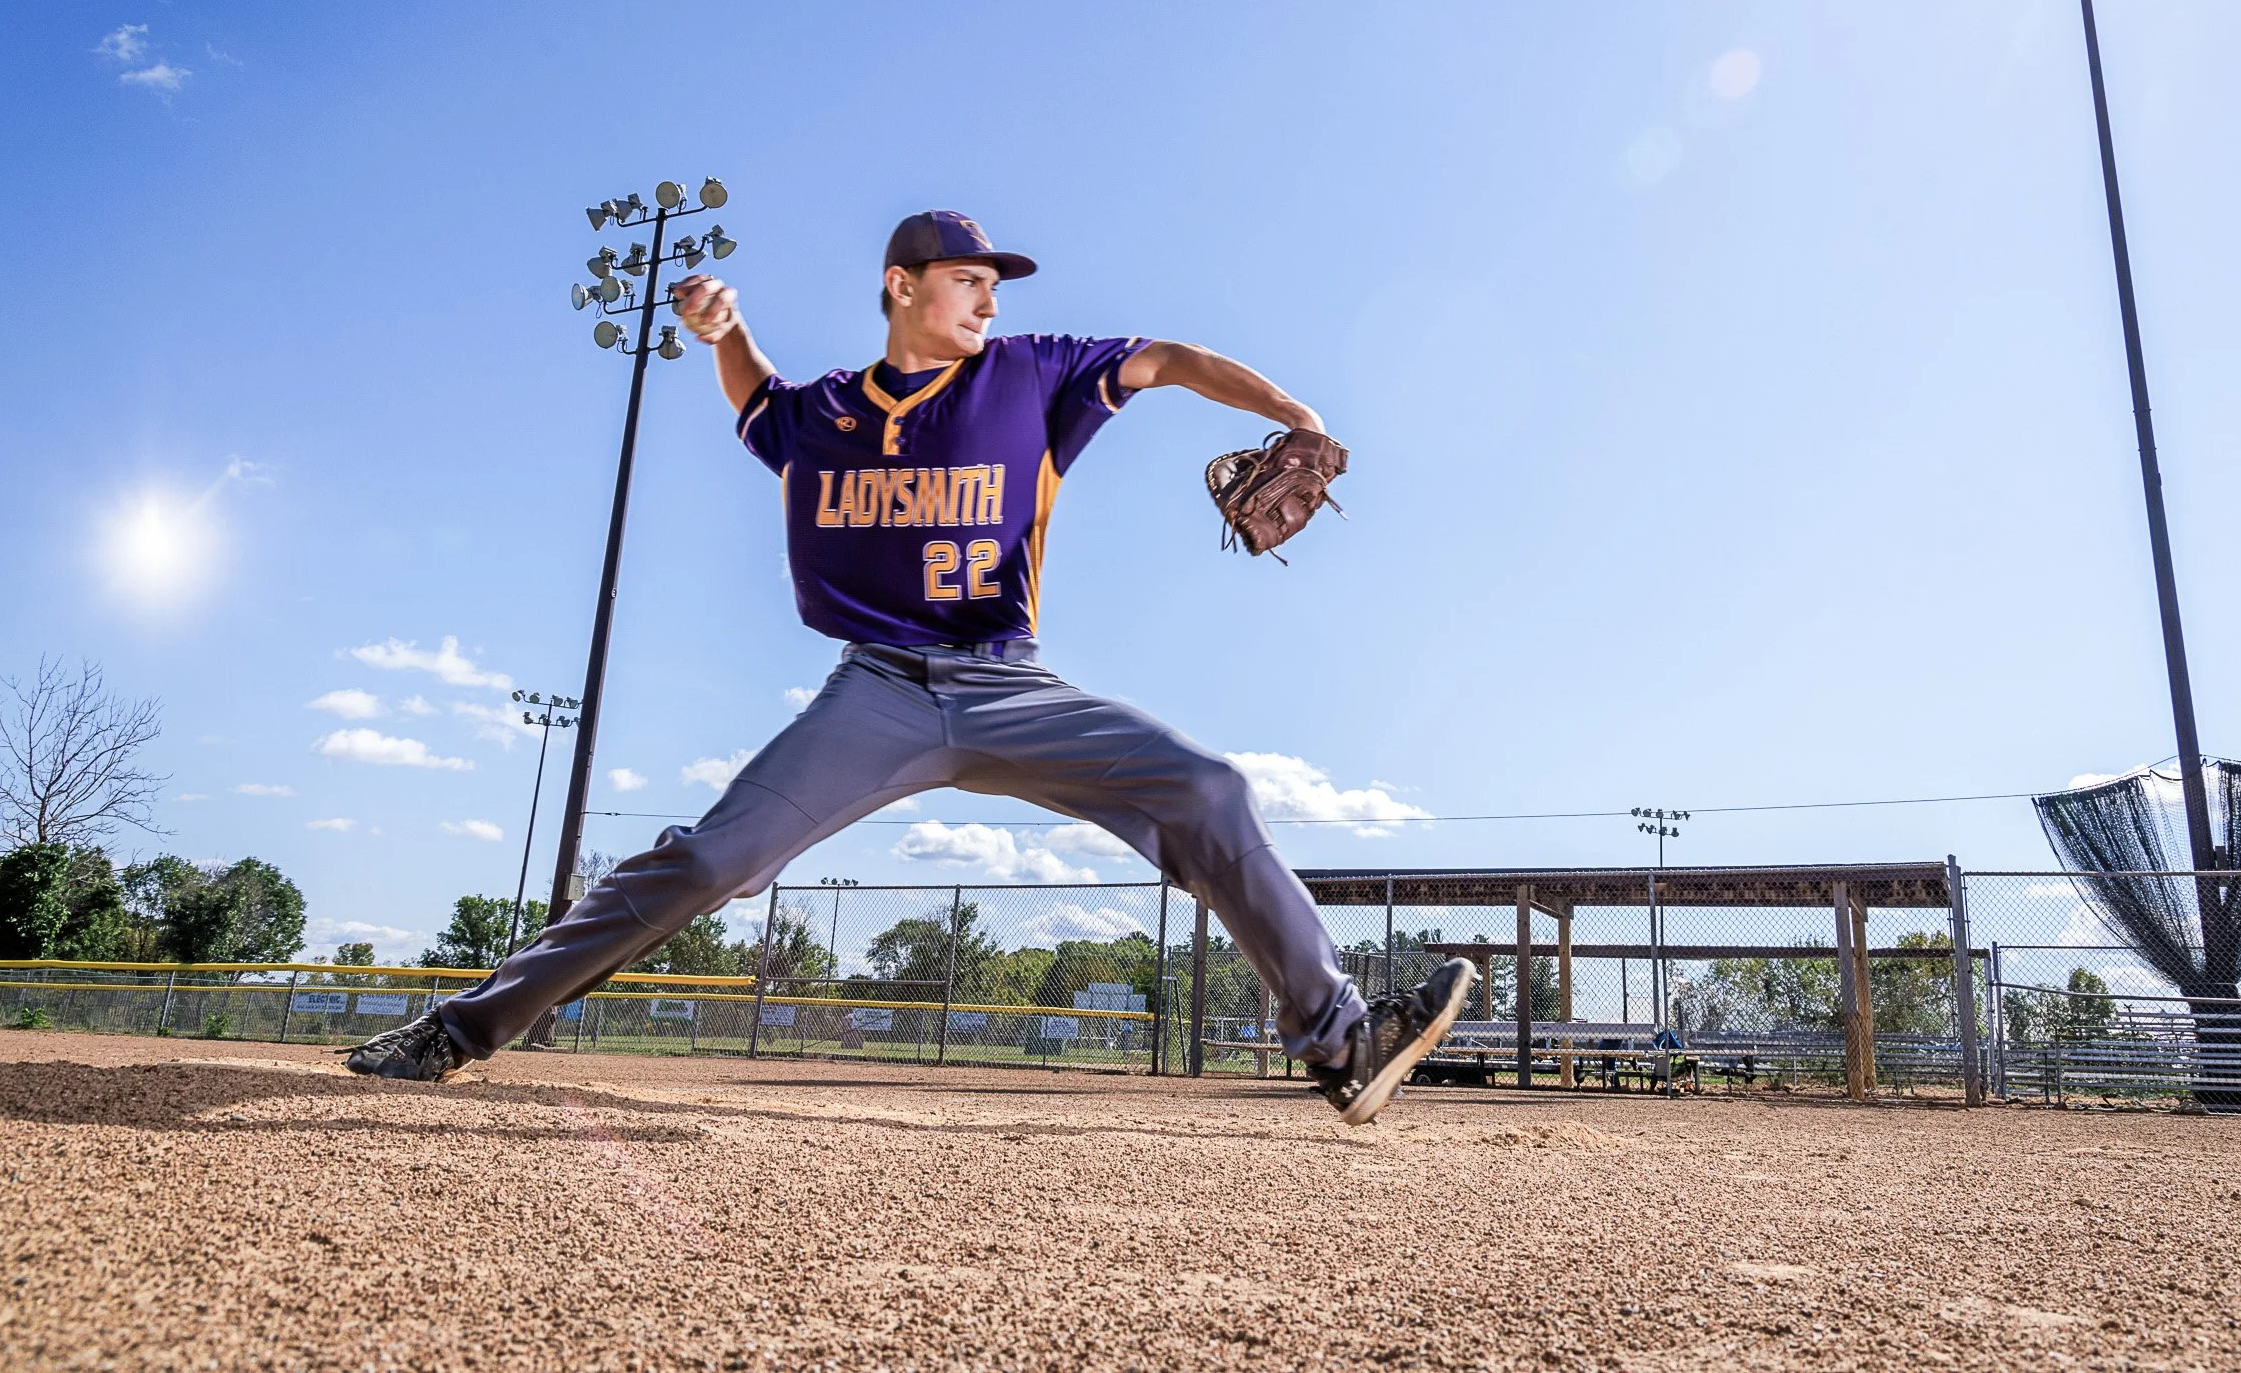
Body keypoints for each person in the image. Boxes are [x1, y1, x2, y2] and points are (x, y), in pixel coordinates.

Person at [347, 209, 1472, 1123]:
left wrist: (1299, 412)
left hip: (1007, 684)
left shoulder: (1033, 376)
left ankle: (1341, 1039)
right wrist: (720, 330)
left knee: (1209, 786)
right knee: (708, 861)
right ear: (900, 285)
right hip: (876, 691)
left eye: (995, 285)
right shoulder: (829, 412)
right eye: (967, 280)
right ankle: (460, 1026)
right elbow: (756, 405)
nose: (990, 300)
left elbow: (1168, 358)